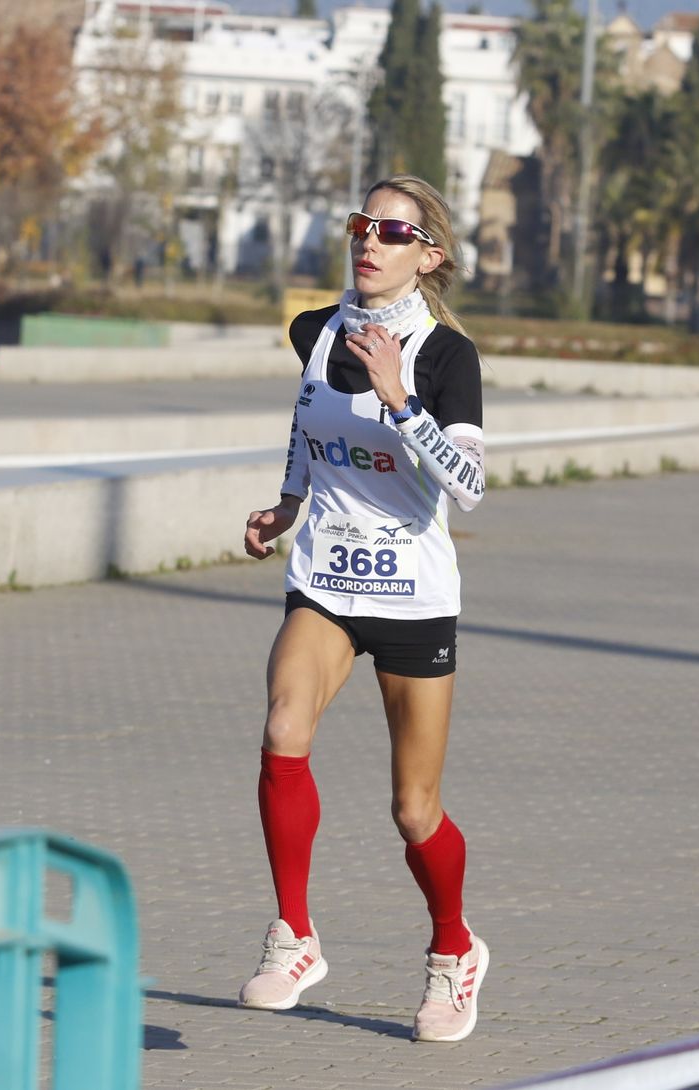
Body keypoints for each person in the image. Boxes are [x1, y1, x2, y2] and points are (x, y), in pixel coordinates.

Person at [238, 175, 489, 1042]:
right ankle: (295, 935)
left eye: (391, 230)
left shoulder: (447, 359)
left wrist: (403, 402)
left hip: (414, 597)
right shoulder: (315, 331)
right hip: (327, 580)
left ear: (430, 254)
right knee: (282, 726)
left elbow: (471, 486)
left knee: (414, 810)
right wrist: (287, 504)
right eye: (360, 225)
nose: (368, 241)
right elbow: (311, 426)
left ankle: (454, 950)